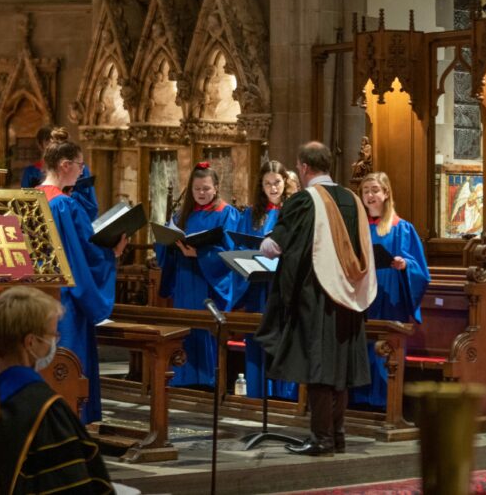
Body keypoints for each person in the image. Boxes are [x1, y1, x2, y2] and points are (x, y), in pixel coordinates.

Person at [255, 141, 376, 456]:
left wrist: (266, 244)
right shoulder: (352, 199)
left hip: (318, 295)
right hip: (349, 296)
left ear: (304, 167)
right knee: (341, 369)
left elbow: (277, 247)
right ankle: (337, 436)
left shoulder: (304, 201)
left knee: (320, 367)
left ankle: (321, 439)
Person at [0, 286, 113, 495]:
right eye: (52, 335)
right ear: (30, 342)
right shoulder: (44, 408)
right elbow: (71, 485)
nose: (55, 341)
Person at [40, 141, 127, 423]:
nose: (81, 173)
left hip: (36, 296)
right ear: (65, 165)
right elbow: (82, 253)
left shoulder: (29, 198)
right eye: (80, 166)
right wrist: (110, 253)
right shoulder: (65, 205)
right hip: (65, 301)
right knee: (68, 363)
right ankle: (71, 425)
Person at [156, 161, 241, 388]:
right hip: (185, 280)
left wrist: (201, 254)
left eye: (206, 188)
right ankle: (182, 379)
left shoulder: (227, 214)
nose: (201, 194)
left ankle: (209, 381)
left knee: (205, 331)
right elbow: (164, 247)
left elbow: (231, 252)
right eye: (197, 189)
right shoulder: (182, 215)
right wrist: (167, 242)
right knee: (185, 329)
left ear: (216, 187)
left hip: (209, 283)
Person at [351, 172, 430, 409]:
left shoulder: (401, 228)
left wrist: (405, 265)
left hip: (389, 296)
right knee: (362, 350)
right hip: (363, 297)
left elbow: (420, 270)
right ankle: (359, 402)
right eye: (365, 191)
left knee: (384, 351)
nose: (370, 195)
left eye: (375, 190)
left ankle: (386, 404)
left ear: (386, 194)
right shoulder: (357, 228)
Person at [235, 160, 296, 400]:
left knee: (284, 339)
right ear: (260, 186)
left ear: (285, 183)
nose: (273, 188)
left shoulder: (293, 210)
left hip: (284, 287)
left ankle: (285, 398)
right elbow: (239, 245)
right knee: (259, 338)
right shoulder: (251, 214)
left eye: (277, 182)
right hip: (258, 289)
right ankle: (259, 394)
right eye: (267, 183)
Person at [47, 127, 99, 220]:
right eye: (80, 165)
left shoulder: (32, 196)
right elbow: (79, 234)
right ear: (66, 165)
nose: (82, 171)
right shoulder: (63, 204)